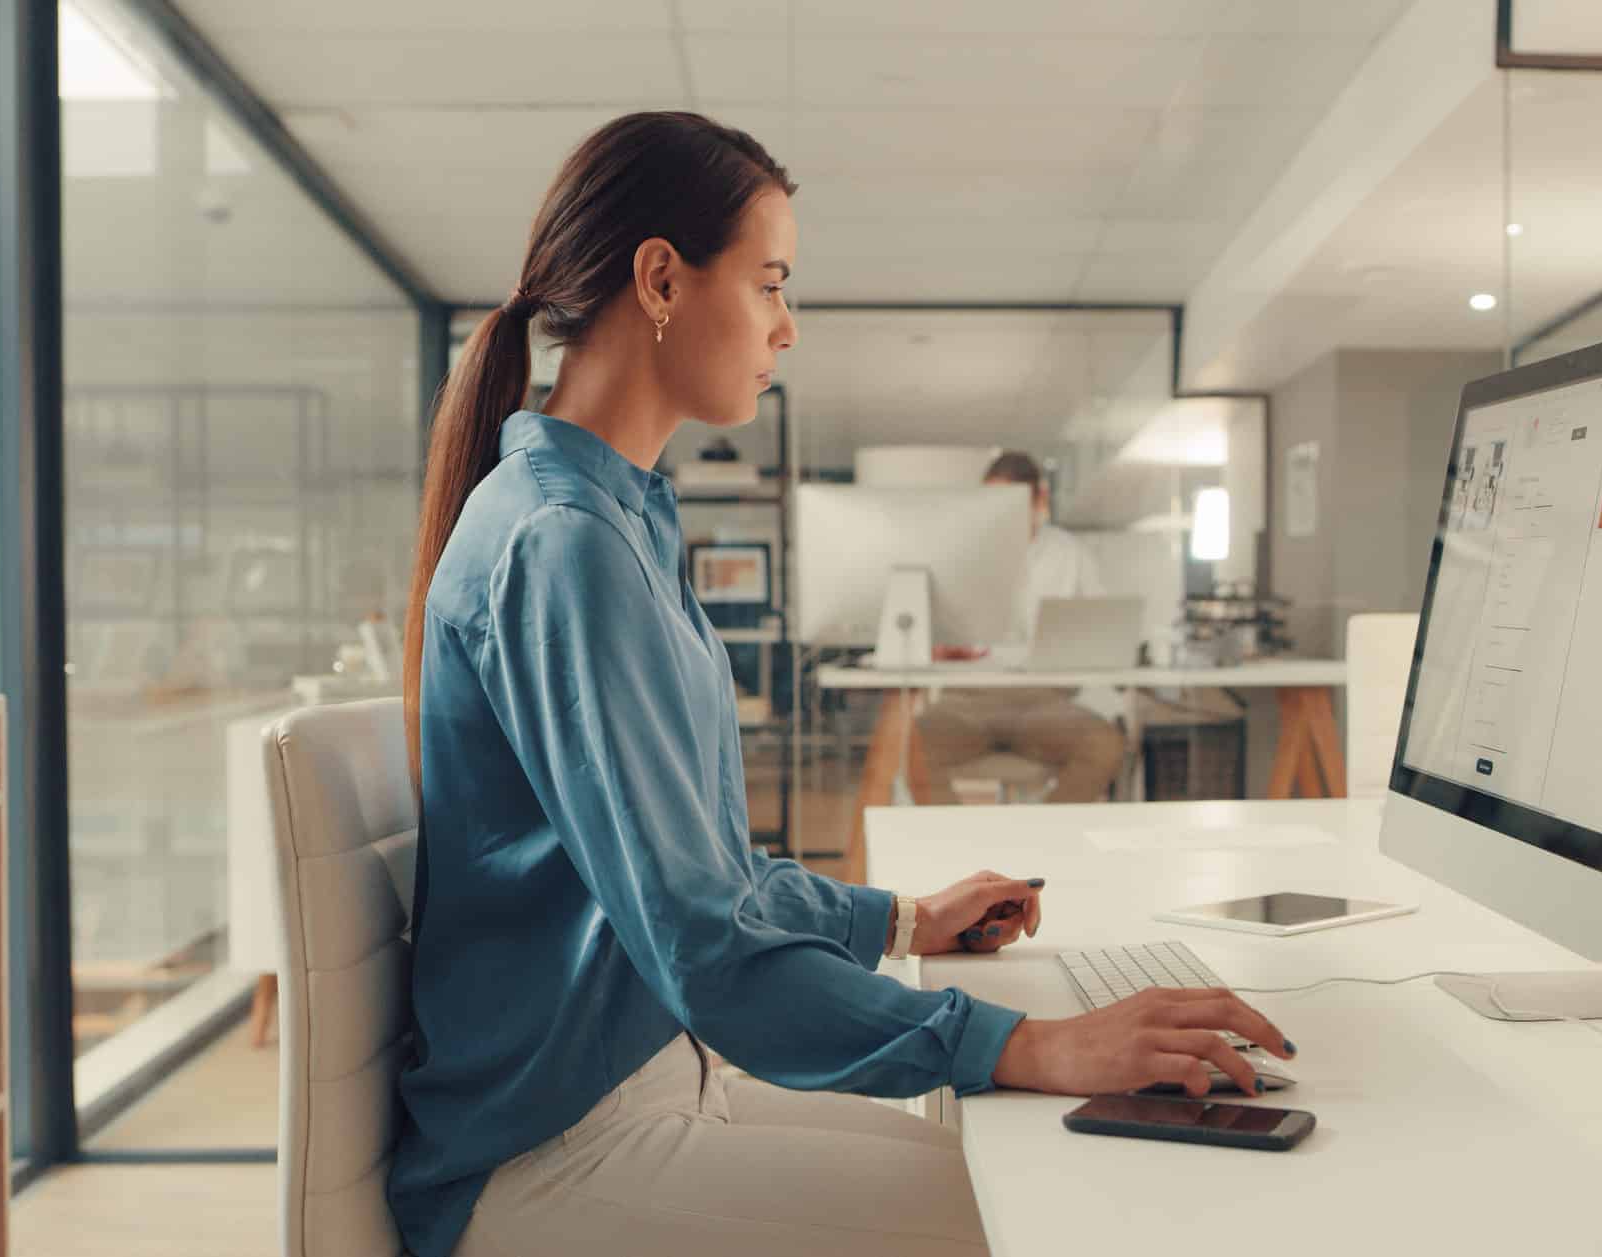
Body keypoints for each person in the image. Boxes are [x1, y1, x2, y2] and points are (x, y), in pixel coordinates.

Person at [390, 110, 1294, 1257]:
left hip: (646, 1067)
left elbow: (702, 881)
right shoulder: (561, 542)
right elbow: (705, 946)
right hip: (547, 1146)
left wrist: (902, 920)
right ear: (661, 279)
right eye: (769, 284)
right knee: (1048, 1212)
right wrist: (1030, 1044)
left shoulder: (612, 522)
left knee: (1023, 1160)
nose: (787, 326)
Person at [917, 451, 1133, 804]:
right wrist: (936, 645)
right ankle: (962, 854)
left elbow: (1104, 629)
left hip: (1046, 703)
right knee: (909, 748)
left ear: (1039, 500)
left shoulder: (1070, 555)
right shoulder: (962, 555)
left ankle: (1042, 842)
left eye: (1011, 502)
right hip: (968, 700)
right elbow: (927, 630)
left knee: (1106, 746)